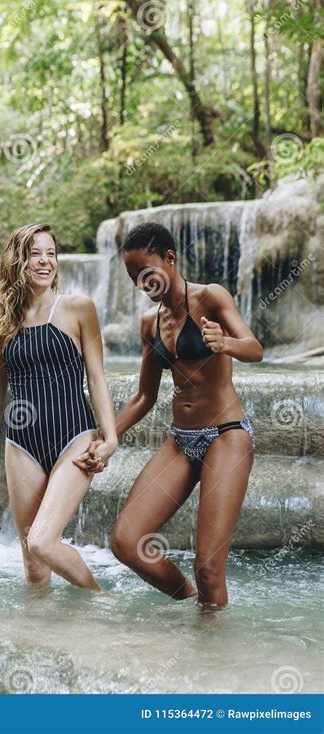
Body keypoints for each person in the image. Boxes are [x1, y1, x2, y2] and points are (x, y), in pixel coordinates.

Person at [75, 222, 263, 608]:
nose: (141, 284)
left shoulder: (211, 297)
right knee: (126, 542)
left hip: (226, 435)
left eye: (146, 272)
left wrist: (225, 342)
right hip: (182, 440)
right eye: (132, 277)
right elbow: (144, 396)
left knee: (209, 567)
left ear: (170, 258)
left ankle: (211, 650)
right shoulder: (150, 323)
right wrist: (107, 439)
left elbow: (255, 348)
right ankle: (190, 604)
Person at [0, 223, 118, 591]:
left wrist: (110, 436)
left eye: (51, 253)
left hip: (75, 438)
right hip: (21, 445)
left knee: (41, 541)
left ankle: (99, 603)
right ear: (18, 261)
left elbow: (96, 379)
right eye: (36, 253)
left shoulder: (78, 308)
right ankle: (42, 639)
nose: (45, 261)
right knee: (34, 568)